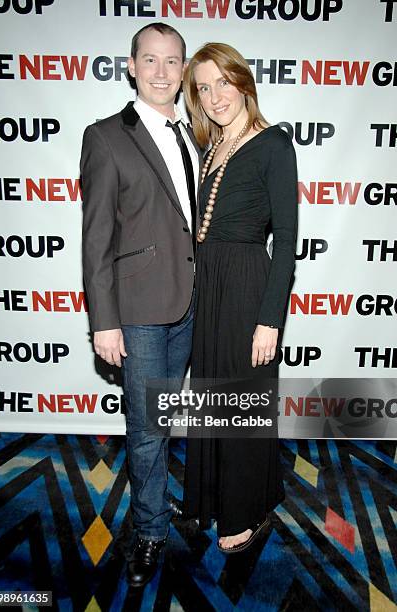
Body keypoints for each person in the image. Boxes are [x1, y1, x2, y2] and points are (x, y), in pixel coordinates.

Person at [80, 23, 200, 586]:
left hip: (192, 303)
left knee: (164, 416)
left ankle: (154, 502)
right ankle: (149, 530)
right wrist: (104, 320)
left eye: (172, 62)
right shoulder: (105, 136)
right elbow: (96, 237)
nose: (160, 72)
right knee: (148, 425)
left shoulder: (195, 133)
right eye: (149, 60)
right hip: (140, 310)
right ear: (130, 66)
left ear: (183, 70)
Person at [182, 43, 298, 552]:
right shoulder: (210, 147)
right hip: (208, 283)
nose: (214, 96)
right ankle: (210, 497)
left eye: (222, 83)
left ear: (243, 82)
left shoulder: (274, 144)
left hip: (248, 282)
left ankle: (244, 510)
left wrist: (269, 319)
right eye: (203, 88)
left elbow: (289, 238)